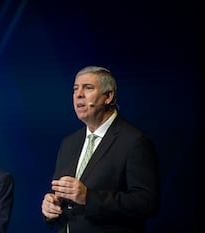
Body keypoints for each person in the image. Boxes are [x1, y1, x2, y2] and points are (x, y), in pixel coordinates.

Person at [41, 66, 160, 233]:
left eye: (88, 87)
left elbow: (146, 203)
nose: (79, 94)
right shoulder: (69, 143)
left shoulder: (134, 141)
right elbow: (62, 196)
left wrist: (88, 197)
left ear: (108, 96)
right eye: (75, 89)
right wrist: (50, 207)